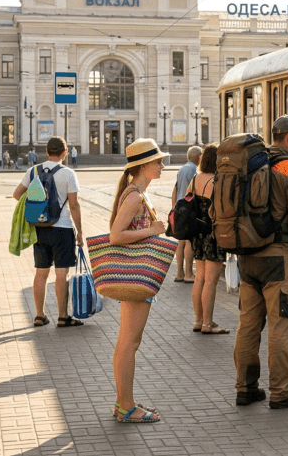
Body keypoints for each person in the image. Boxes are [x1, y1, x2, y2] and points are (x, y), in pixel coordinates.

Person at [234, 115, 288, 409]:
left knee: (248, 325)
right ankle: (281, 392)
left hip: (247, 259)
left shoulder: (249, 164)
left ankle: (246, 388)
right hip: (278, 261)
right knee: (281, 326)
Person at [108, 138, 169, 423]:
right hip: (136, 275)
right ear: (143, 165)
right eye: (158, 161)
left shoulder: (136, 193)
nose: (162, 165)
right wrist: (154, 230)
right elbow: (116, 236)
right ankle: (126, 407)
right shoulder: (134, 196)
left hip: (138, 275)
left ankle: (125, 401)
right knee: (128, 342)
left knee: (129, 341)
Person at [12, 137, 85, 328]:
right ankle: (62, 316)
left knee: (41, 273)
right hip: (63, 229)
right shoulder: (68, 173)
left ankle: (39, 315)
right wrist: (80, 232)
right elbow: (74, 205)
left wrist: (35, 204)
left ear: (46, 150)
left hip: (40, 228)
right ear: (65, 152)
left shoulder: (33, 171)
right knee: (62, 274)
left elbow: (17, 194)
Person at [189, 144, 227, 334]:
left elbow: (187, 199)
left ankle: (198, 320)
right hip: (214, 233)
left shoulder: (195, 178)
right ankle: (208, 323)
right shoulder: (218, 181)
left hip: (197, 233)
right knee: (211, 281)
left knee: (200, 279)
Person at [171, 146, 202, 283]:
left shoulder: (182, 168)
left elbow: (175, 189)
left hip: (179, 208)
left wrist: (173, 207)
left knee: (181, 242)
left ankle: (179, 273)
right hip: (189, 209)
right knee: (190, 241)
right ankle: (189, 273)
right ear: (198, 156)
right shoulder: (195, 170)